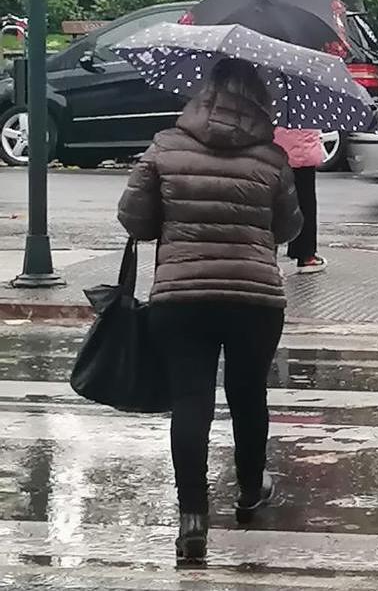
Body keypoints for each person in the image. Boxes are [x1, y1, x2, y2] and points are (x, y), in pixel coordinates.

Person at [118, 57, 303, 562]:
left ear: (202, 95)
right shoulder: (272, 157)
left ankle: (192, 518)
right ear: (259, 102)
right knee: (248, 395)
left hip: (182, 298)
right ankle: (248, 492)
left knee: (191, 399)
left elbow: (135, 221)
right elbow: (288, 230)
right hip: (255, 300)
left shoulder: (165, 147)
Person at [274, 127, 327, 273]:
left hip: (274, 152)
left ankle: (270, 256)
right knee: (305, 203)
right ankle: (305, 254)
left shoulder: (273, 104)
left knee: (272, 204)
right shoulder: (305, 106)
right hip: (302, 152)